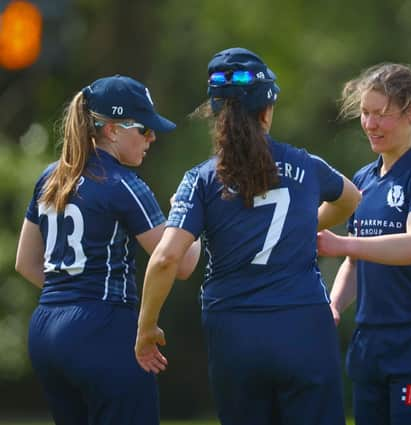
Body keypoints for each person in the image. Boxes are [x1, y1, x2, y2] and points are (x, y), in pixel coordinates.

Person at [134, 47, 361, 425]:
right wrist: (305, 225)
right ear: (266, 111)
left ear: (216, 114)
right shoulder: (306, 164)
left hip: (235, 330)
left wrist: (146, 327)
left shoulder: (200, 179)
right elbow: (351, 198)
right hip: (304, 324)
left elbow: (164, 258)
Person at [14, 75, 201, 425]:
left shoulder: (51, 176)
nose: (152, 138)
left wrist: (72, 298)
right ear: (113, 130)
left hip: (45, 331)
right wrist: (190, 214)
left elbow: (25, 262)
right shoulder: (123, 184)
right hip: (103, 328)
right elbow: (182, 262)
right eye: (144, 129)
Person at [317, 63, 411, 425]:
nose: (370, 124)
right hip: (370, 344)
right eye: (365, 113)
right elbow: (354, 263)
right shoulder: (363, 179)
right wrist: (334, 306)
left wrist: (343, 245)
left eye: (381, 114)